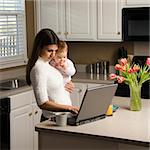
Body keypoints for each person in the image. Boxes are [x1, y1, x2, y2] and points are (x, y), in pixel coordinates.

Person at [26, 28, 79, 121]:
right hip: (52, 119)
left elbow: (53, 85)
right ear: (39, 48)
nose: (53, 55)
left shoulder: (48, 64)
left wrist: (67, 84)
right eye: (50, 51)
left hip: (62, 117)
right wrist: (69, 108)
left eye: (55, 51)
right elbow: (42, 103)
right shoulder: (38, 68)